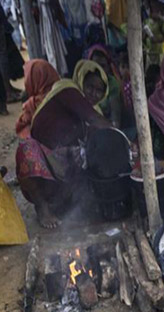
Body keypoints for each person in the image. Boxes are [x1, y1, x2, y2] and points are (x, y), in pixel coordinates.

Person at [16, 60, 109, 229]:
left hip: (65, 167)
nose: (94, 94)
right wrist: (124, 138)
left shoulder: (94, 111)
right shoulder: (67, 88)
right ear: (80, 80)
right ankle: (42, 207)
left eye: (99, 90)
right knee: (27, 151)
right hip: (44, 160)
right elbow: (94, 119)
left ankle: (69, 205)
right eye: (90, 87)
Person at [87, 45, 122, 127]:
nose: (99, 69)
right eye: (95, 65)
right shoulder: (83, 82)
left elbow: (115, 113)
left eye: (103, 65)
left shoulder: (112, 83)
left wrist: (113, 128)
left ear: (109, 67)